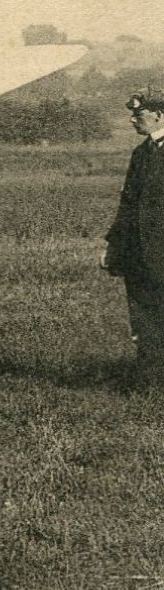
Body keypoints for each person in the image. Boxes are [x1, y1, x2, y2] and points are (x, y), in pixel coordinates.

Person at [103, 93, 164, 379]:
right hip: (140, 253)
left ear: (159, 116)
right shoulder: (141, 153)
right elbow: (127, 203)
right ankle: (150, 382)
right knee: (143, 317)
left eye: (138, 116)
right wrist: (114, 245)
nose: (131, 120)